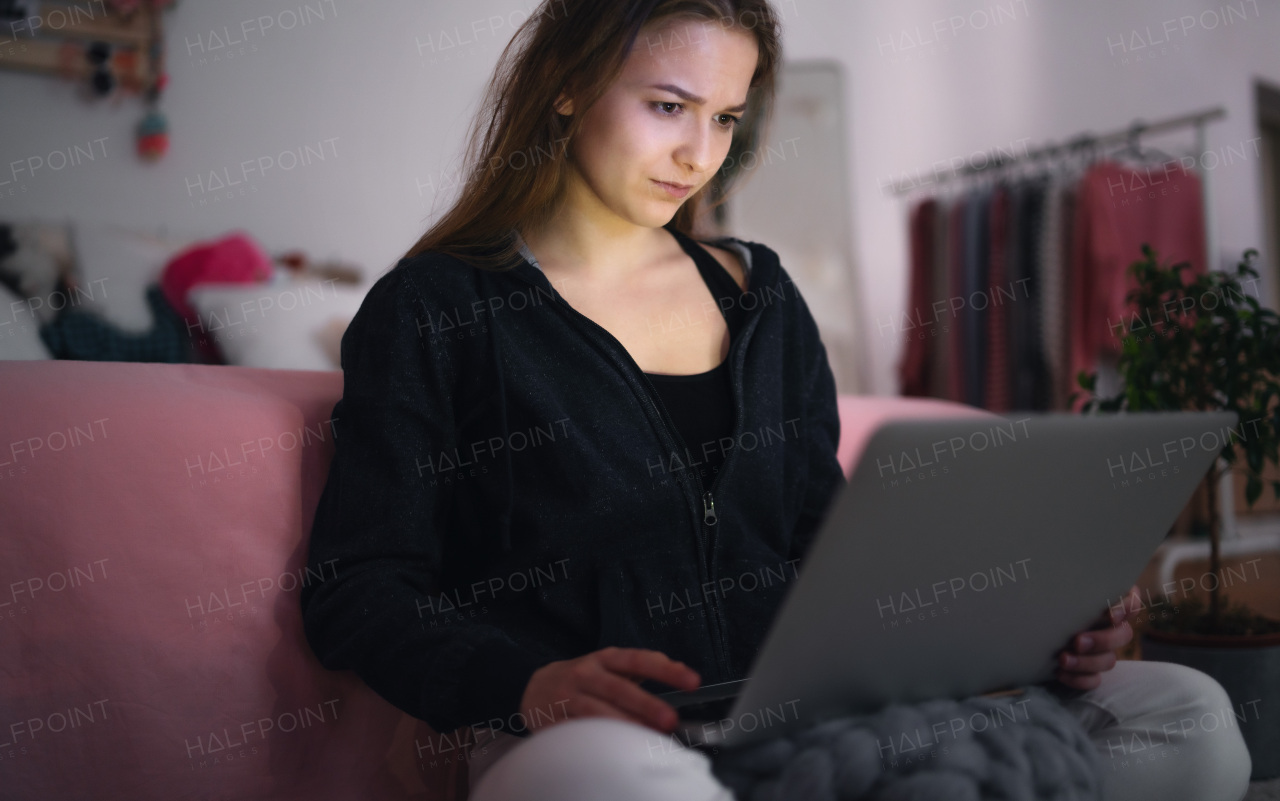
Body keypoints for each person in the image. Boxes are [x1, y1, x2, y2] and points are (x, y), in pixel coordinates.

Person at [300, 2, 1253, 800]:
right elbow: (359, 588)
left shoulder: (761, 297)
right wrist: (528, 683)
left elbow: (825, 542)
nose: (697, 153)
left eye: (724, 117)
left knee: (1190, 718)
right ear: (567, 83)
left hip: (802, 715)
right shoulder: (433, 309)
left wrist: (1040, 623)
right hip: (581, 741)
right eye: (669, 106)